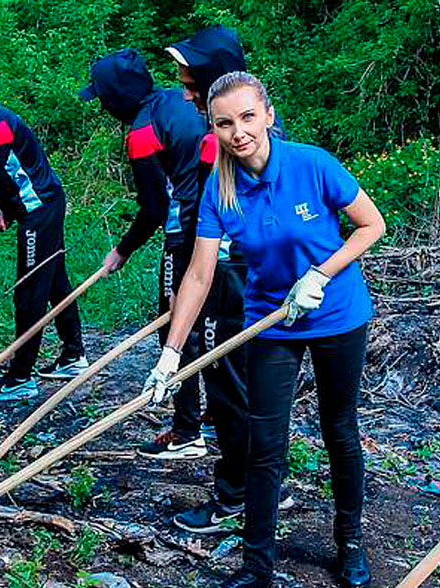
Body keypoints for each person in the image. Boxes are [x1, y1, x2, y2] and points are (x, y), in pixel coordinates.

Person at [144, 72, 386, 588]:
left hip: (337, 315)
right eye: (224, 123)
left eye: (247, 117)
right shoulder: (220, 188)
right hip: (270, 321)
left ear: (268, 115)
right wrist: (170, 353)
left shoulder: (312, 164)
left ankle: (349, 540)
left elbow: (372, 225)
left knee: (338, 428)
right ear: (213, 128)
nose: (238, 132)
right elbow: (199, 275)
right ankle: (256, 566)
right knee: (264, 441)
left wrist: (321, 274)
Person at [160, 27, 294, 534]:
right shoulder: (216, 137)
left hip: (239, 279)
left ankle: (239, 493)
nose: (187, 92)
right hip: (220, 271)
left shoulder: (239, 140)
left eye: (192, 82)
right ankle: (252, 483)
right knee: (231, 384)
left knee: (229, 385)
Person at [79, 49, 209, 460]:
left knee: (175, 324)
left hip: (186, 231)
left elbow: (154, 207)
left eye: (102, 96)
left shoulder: (142, 130)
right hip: (219, 230)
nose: (101, 105)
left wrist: (122, 250)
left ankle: (188, 431)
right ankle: (217, 422)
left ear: (117, 95)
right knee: (211, 326)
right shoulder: (177, 98)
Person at [0, 62, 88, 403]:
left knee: (29, 294)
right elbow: (5, 168)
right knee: (53, 282)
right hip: (39, 204)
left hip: (40, 211)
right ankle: (73, 355)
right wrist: (8, 207)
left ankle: (21, 378)